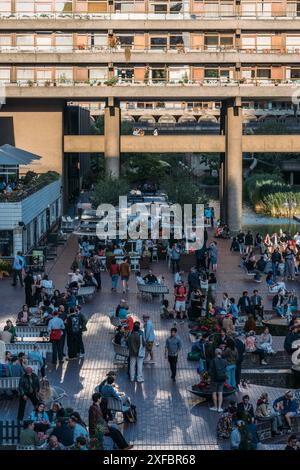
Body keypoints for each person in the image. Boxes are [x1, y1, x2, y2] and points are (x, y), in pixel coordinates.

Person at [209, 348, 227, 413]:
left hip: (214, 379)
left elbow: (210, 371)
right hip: (222, 379)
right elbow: (225, 369)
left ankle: (215, 407)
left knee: (214, 392)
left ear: (215, 353)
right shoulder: (224, 361)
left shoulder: (213, 361)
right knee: (220, 393)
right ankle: (219, 408)